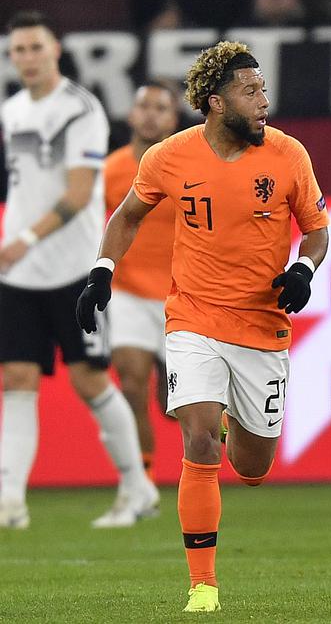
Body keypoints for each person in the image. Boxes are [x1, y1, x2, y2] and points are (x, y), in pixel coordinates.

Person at [76, 41, 330, 613]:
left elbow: (316, 229)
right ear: (216, 103)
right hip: (192, 315)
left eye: (264, 89)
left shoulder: (288, 154)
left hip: (262, 327)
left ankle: (231, 419)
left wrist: (303, 268)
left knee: (252, 467)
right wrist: (101, 270)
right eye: (251, 92)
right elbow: (128, 215)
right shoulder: (168, 157)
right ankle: (203, 585)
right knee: (196, 439)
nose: (264, 101)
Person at [0, 11, 158, 530]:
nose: (26, 58)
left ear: (56, 49)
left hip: (71, 269)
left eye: (34, 48)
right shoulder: (13, 110)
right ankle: (10, 502)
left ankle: (137, 487)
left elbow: (77, 192)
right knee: (16, 379)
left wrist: (23, 239)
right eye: (17, 50)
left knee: (90, 381)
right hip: (19, 274)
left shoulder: (81, 109)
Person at [103, 81, 181, 479]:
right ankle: (142, 477)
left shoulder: (186, 165)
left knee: (179, 405)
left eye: (161, 108)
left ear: (173, 118)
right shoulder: (110, 170)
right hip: (129, 291)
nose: (151, 114)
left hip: (180, 295)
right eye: (144, 106)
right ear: (131, 114)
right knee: (131, 383)